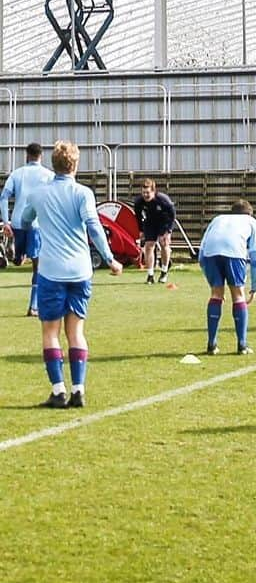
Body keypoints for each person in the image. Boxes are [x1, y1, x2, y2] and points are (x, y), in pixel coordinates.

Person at [21, 139, 122, 408]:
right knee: (76, 331)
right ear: (75, 164)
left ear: (52, 164)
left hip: (51, 271)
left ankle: (58, 391)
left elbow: (23, 219)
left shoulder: (39, 194)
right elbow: (93, 226)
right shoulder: (82, 193)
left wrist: (32, 223)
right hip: (80, 270)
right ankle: (79, 390)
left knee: (50, 332)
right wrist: (110, 259)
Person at [198, 200, 256, 355]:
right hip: (234, 253)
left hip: (210, 254)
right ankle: (242, 345)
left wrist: (212, 282)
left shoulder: (217, 219)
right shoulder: (252, 222)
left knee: (216, 295)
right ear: (249, 213)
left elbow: (201, 255)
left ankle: (211, 345)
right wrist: (254, 286)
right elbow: (255, 258)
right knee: (238, 296)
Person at [1, 142, 53, 316]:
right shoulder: (48, 175)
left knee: (18, 260)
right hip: (36, 224)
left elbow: (4, 197)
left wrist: (6, 221)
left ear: (26, 155)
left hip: (16, 222)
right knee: (38, 266)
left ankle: (16, 252)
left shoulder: (17, 174)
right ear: (41, 156)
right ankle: (34, 306)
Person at [133, 178, 176, 284]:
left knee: (164, 244)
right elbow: (138, 216)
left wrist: (168, 231)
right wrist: (141, 230)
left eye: (148, 193)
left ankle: (164, 272)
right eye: (143, 193)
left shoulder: (162, 199)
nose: (146, 195)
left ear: (153, 191)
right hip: (150, 222)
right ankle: (150, 275)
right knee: (149, 246)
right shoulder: (139, 202)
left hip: (164, 222)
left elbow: (172, 214)